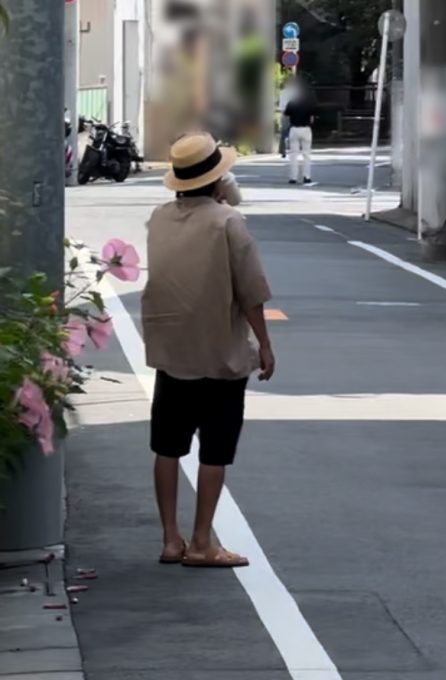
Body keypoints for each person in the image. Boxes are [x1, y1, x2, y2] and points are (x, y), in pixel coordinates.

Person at [142, 132, 276, 566]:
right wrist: (267, 346)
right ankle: (202, 542)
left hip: (171, 353)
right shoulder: (227, 223)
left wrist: (219, 190)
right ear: (218, 180)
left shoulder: (159, 219)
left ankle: (170, 539)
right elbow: (251, 293)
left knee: (168, 446)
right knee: (215, 450)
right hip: (220, 354)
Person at [285, 84, 315, 185]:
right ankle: (307, 176)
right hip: (306, 129)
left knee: (293, 154)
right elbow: (312, 118)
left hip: (294, 129)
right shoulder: (309, 104)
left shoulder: (291, 103)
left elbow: (287, 115)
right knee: (306, 154)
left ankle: (293, 177)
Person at [278, 76, 299, 158]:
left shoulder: (283, 92)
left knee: (284, 133)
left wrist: (282, 112)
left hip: (285, 113)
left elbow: (281, 104)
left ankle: (282, 150)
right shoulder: (296, 92)